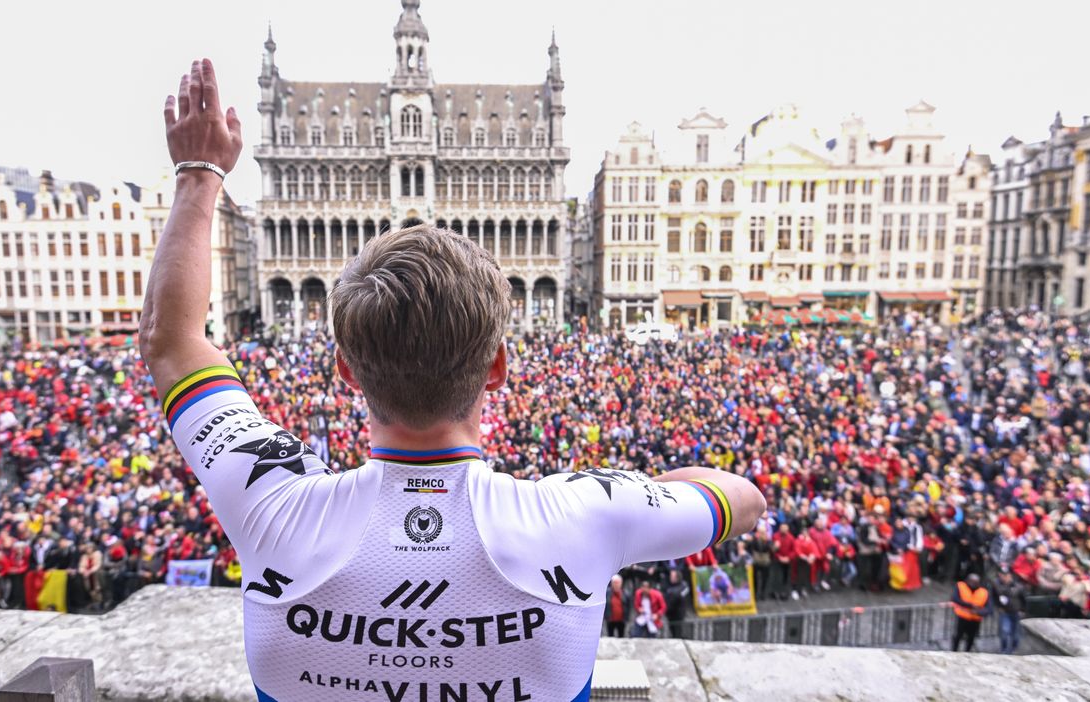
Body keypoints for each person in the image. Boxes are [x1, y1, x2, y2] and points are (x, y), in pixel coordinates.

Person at [139, 58, 766, 700]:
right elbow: (743, 499)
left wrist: (199, 175)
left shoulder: (272, 504)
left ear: (346, 370)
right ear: (497, 366)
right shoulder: (582, 516)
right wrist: (631, 500)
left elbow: (170, 341)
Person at [989, 567, 1027, 654]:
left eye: (1006, 575)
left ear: (1010, 576)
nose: (1004, 577)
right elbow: (994, 597)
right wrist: (998, 607)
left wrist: (1022, 610)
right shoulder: (996, 585)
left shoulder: (1018, 586)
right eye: (1002, 575)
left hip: (1016, 613)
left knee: (1016, 634)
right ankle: (1004, 649)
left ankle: (1013, 648)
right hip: (1005, 612)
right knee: (1004, 631)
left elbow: (1023, 599)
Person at [951, 573, 991, 652]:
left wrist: (978, 612)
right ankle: (954, 651)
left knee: (971, 637)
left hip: (975, 619)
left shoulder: (984, 592)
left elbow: (989, 608)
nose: (973, 584)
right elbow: (955, 598)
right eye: (972, 581)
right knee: (958, 636)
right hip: (963, 617)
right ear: (967, 580)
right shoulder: (960, 586)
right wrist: (970, 605)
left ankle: (967, 652)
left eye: (976, 582)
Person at [604, 574, 630, 638]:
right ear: (612, 584)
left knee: (621, 637)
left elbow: (629, 606)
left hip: (621, 620)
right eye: (614, 583)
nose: (616, 585)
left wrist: (627, 617)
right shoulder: (607, 593)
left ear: (621, 583)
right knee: (610, 637)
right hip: (610, 619)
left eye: (617, 583)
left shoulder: (625, 593)